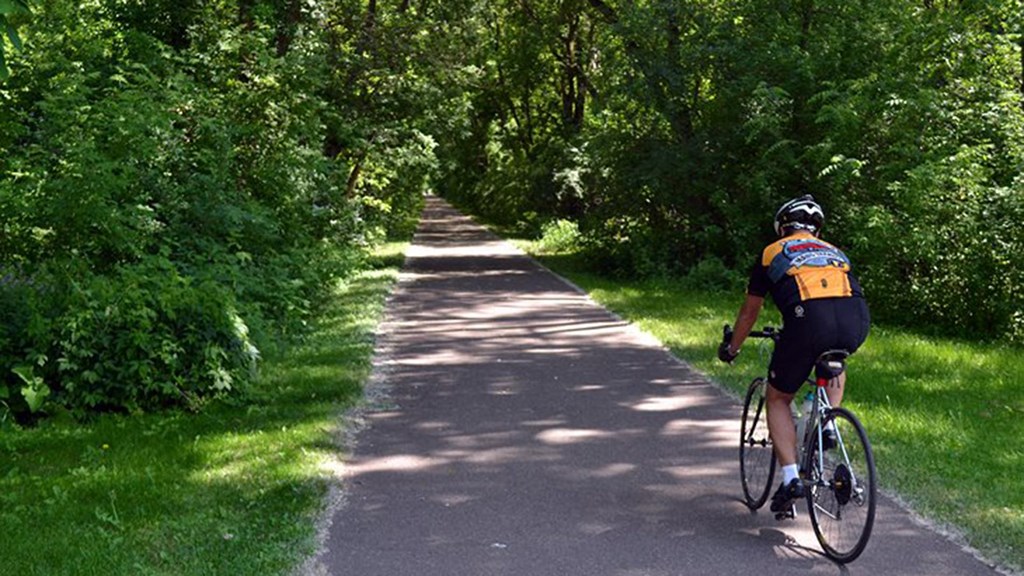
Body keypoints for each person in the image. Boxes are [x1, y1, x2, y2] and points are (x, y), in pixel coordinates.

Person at [718, 194, 870, 515]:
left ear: (783, 226)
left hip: (808, 322)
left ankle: (790, 479)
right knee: (833, 356)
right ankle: (827, 423)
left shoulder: (772, 252)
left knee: (777, 398)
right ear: (816, 229)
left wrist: (732, 347)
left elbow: (750, 312)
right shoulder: (834, 251)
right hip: (855, 320)